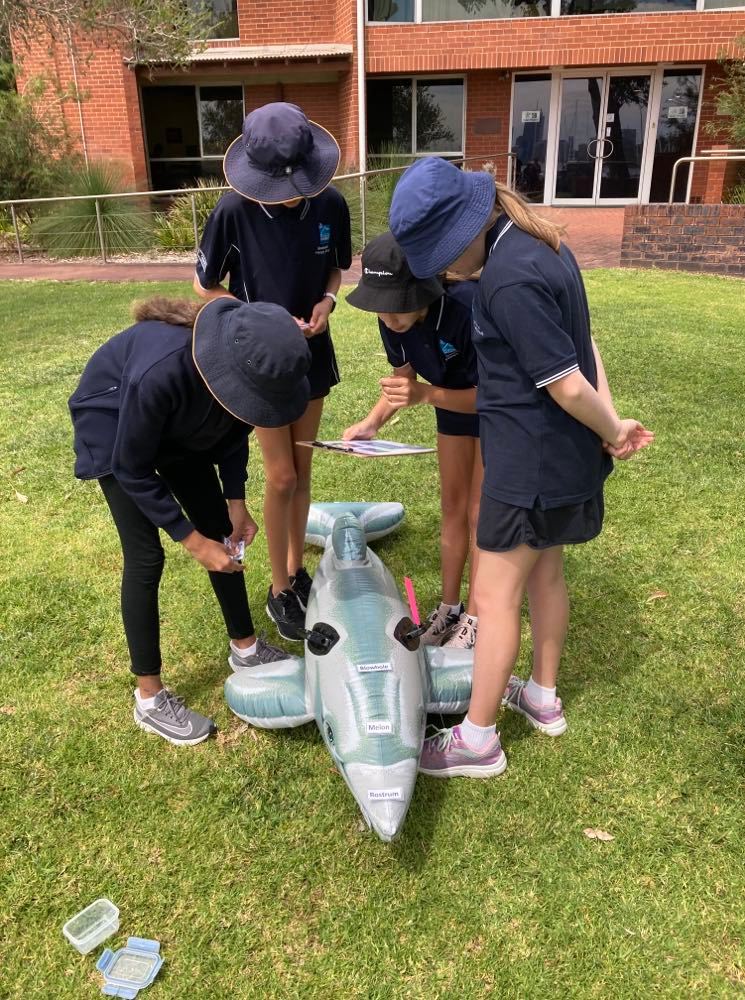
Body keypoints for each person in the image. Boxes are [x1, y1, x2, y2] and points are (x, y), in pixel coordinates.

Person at [389, 157, 654, 778]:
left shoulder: (508, 278)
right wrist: (608, 426)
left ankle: (477, 739)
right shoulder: (543, 242)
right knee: (546, 577)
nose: (445, 273)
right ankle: (541, 696)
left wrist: (613, 428)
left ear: (466, 230)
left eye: (441, 256)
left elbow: (565, 381)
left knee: (493, 595)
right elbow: (584, 347)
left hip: (529, 464)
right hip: (562, 460)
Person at [68, 296, 312, 746]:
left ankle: (246, 648)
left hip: (177, 425)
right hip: (115, 422)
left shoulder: (236, 380)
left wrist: (235, 501)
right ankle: (149, 697)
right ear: (227, 369)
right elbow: (132, 468)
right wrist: (192, 540)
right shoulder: (160, 373)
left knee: (221, 528)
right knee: (146, 558)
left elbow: (235, 428)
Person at [193, 102, 352, 642]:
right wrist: (256, 318)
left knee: (303, 475)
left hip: (312, 354)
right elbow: (204, 286)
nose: (287, 194)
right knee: (279, 475)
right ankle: (278, 586)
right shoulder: (232, 212)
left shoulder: (331, 203)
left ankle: (296, 571)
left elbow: (335, 267)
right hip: (259, 362)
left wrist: (328, 302)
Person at [342, 232, 482, 650]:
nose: (387, 316)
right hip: (450, 408)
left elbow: (499, 394)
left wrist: (427, 395)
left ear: (423, 287)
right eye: (379, 305)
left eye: (397, 304)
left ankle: (477, 615)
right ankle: (451, 607)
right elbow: (404, 378)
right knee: (453, 507)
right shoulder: (391, 318)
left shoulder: (467, 306)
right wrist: (372, 423)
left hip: (496, 413)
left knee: (480, 515)